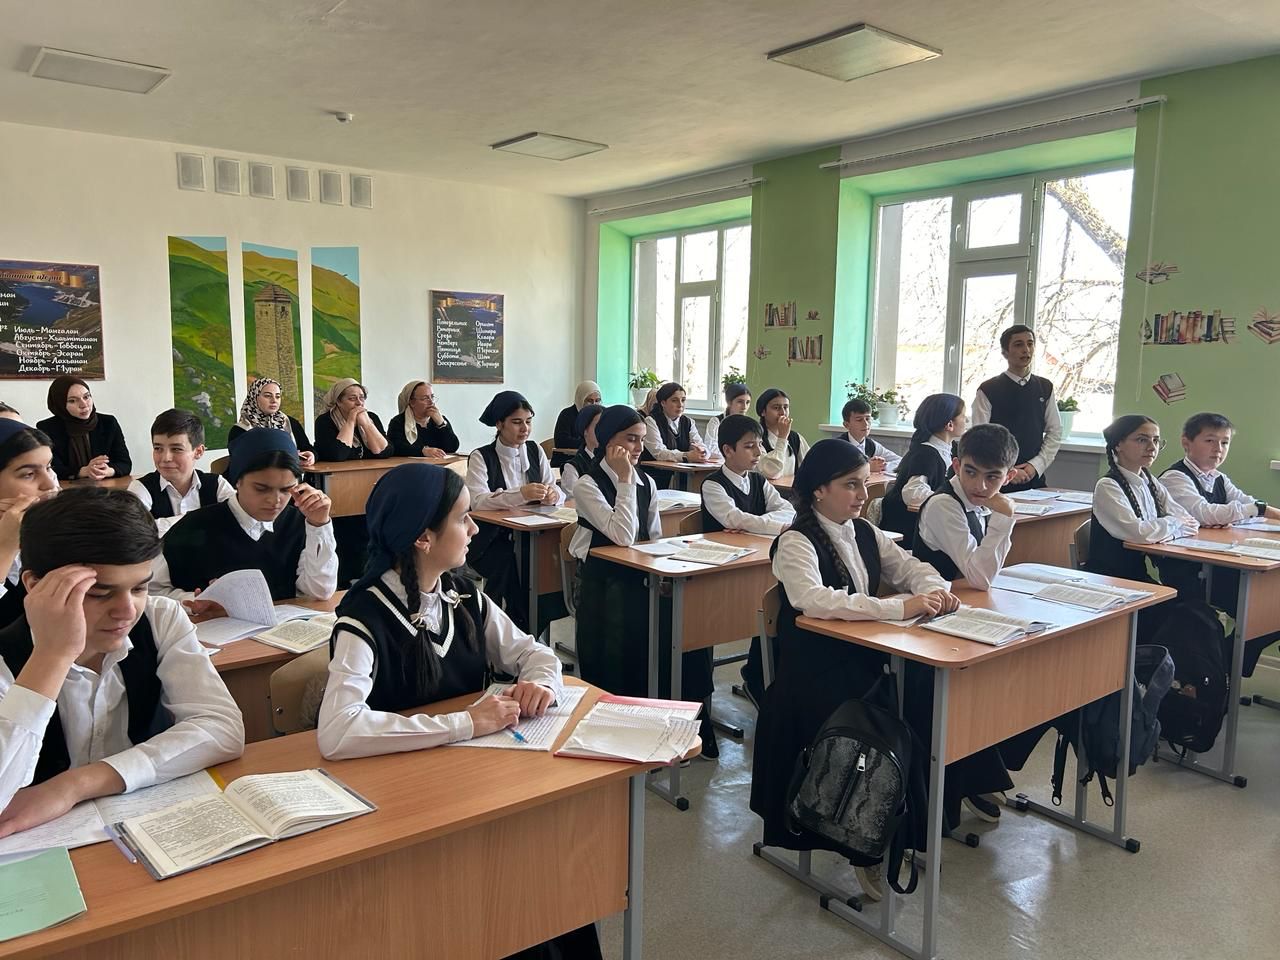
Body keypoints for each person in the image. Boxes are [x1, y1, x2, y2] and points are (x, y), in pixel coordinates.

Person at [315, 462, 595, 960]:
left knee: (555, 882)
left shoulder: (462, 595)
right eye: (464, 518)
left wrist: (541, 683)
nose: (475, 529)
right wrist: (465, 722)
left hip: (470, 783)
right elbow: (337, 731)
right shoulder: (364, 618)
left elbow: (535, 652)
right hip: (404, 806)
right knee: (504, 899)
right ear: (423, 538)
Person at [750, 439, 959, 902]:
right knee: (882, 728)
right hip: (814, 673)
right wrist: (898, 607)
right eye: (851, 485)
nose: (863, 494)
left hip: (864, 658)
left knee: (925, 703)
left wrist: (934, 588)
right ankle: (864, 842)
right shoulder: (795, 540)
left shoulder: (864, 530)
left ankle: (903, 825)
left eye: (864, 484)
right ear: (819, 490)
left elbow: (910, 567)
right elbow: (813, 600)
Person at [0, 488, 243, 839]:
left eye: (140, 589)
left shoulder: (160, 618)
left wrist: (75, 785)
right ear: (36, 586)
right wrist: (52, 655)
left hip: (142, 822)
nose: (127, 611)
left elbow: (223, 728)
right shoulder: (7, 656)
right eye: (100, 593)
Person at [569, 405, 717, 755]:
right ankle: (624, 729)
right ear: (609, 441)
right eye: (630, 439)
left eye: (641, 440)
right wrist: (624, 480)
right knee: (626, 645)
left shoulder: (646, 482)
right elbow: (622, 536)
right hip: (604, 587)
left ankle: (685, 721)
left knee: (687, 634)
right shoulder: (588, 484)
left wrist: (665, 571)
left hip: (642, 578)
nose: (638, 448)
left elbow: (653, 539)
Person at [154, 428, 337, 603]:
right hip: (213, 624)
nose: (275, 500)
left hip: (284, 623)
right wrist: (194, 601)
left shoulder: (299, 523)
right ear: (237, 481)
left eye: (286, 490)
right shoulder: (192, 527)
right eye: (261, 488)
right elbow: (153, 592)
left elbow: (320, 591)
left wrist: (319, 525)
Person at [1160, 412, 1280, 674]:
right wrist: (1248, 510)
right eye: (1210, 441)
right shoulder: (1175, 478)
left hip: (1222, 564)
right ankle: (1224, 668)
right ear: (1186, 443)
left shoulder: (1218, 478)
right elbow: (1206, 513)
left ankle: (1224, 665)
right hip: (1192, 571)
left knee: (1271, 610)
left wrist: (1244, 512)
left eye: (1225, 442)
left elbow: (1245, 506)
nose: (1218, 449)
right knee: (1269, 609)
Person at [701, 414, 795, 707]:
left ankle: (759, 674)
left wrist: (756, 523)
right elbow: (734, 518)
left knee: (772, 611)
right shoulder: (713, 485)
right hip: (718, 573)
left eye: (759, 445)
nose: (758, 452)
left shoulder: (757, 481)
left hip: (756, 560)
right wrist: (770, 524)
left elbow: (787, 509)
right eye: (749, 446)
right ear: (728, 450)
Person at [465, 391, 563, 633]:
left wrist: (553, 495)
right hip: (491, 538)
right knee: (512, 567)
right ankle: (506, 629)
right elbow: (477, 501)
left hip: (533, 536)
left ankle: (529, 628)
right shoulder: (481, 456)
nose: (525, 429)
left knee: (547, 569)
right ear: (499, 424)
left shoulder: (535, 450)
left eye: (528, 421)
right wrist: (521, 494)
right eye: (517, 422)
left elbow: (556, 489)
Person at [1087, 415, 1200, 614]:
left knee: (1193, 605)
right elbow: (1139, 533)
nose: (1151, 447)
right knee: (1181, 611)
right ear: (1118, 444)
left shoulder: (1149, 480)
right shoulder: (1108, 486)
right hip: (1112, 579)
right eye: (1142, 440)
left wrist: (1165, 530)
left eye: (1156, 440)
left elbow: (1189, 521)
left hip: (1137, 575)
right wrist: (1173, 524)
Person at [913, 424, 1019, 589]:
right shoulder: (943, 505)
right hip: (938, 599)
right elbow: (981, 579)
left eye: (991, 477)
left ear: (1008, 477)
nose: (980, 486)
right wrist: (1003, 517)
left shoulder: (985, 502)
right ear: (957, 467)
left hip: (964, 597)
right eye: (971, 472)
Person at [971, 325, 1062, 492]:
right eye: (1019, 344)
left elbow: (1055, 430)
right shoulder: (988, 389)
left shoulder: (1045, 387)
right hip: (997, 480)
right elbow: (979, 437)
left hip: (1033, 477)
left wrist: (1036, 465)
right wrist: (1008, 470)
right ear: (1005, 352)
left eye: (1030, 344)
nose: (1026, 350)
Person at [879, 394, 967, 549]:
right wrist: (951, 500)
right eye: (963, 416)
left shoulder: (951, 450)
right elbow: (913, 492)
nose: (966, 420)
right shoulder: (926, 453)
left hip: (931, 522)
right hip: (909, 530)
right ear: (949, 424)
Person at [128, 409, 233, 536]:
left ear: (198, 452)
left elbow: (240, 519)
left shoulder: (217, 484)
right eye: (158, 448)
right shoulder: (141, 488)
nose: (166, 458)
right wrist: (204, 519)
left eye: (176, 449)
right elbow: (132, 531)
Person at [0, 420, 60, 623]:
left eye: (48, 467)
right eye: (29, 474)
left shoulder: (48, 527)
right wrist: (5, 548)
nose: (49, 484)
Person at [37, 376, 131, 481]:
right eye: (72, 401)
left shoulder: (108, 423)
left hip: (106, 487)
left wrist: (108, 471)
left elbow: (125, 463)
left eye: (86, 397)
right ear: (60, 404)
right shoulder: (47, 428)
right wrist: (83, 471)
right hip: (66, 489)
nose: (83, 405)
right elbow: (50, 469)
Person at [228, 378, 315, 468]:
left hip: (292, 475)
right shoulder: (240, 430)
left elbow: (308, 448)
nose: (274, 400)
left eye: (278, 396)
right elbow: (240, 463)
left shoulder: (289, 422)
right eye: (268, 396)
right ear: (254, 397)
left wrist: (311, 455)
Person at [640, 382, 709, 489]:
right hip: (655, 478)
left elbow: (701, 445)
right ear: (663, 403)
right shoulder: (651, 421)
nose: (680, 405)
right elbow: (659, 452)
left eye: (683, 400)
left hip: (682, 477)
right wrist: (686, 456)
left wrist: (702, 453)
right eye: (674, 400)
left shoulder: (688, 422)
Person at [313, 378, 390, 461]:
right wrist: (350, 422)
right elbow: (337, 455)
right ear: (338, 401)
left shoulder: (372, 417)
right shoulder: (324, 421)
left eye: (362, 398)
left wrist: (367, 424)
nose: (359, 403)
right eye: (352, 399)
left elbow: (385, 452)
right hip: (339, 469)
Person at [386, 381, 460, 458]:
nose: (431, 402)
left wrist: (441, 424)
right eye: (425, 398)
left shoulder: (440, 419)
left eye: (432, 397)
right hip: (410, 464)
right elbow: (396, 447)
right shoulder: (398, 422)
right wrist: (423, 451)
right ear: (412, 402)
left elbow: (452, 447)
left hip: (441, 463)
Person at [755, 388, 809, 480]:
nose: (783, 413)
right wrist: (782, 438)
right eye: (776, 408)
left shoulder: (795, 437)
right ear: (763, 412)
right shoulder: (756, 438)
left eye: (786, 407)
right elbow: (771, 472)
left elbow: (810, 465)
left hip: (791, 488)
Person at [839, 399, 902, 473]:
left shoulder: (871, 445)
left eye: (868, 419)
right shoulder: (838, 446)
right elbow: (837, 471)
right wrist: (867, 467)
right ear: (846, 425)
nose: (866, 424)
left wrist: (882, 466)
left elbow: (901, 461)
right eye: (859, 420)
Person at [552, 380, 602, 468]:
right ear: (580, 399)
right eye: (589, 401)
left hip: (591, 460)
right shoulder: (567, 414)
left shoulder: (599, 417)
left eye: (597, 400)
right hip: (566, 461)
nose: (594, 404)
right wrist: (589, 443)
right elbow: (562, 441)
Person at [559, 403, 603, 497]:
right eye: (598, 426)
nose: (603, 431)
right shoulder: (572, 468)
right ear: (585, 431)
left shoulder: (613, 461)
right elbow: (572, 501)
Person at [702, 383, 752, 463]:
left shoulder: (749, 424)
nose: (744, 407)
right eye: (740, 402)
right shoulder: (716, 422)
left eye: (747, 402)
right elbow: (710, 449)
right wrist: (737, 455)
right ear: (729, 402)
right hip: (720, 464)